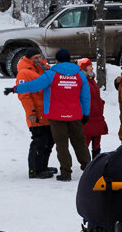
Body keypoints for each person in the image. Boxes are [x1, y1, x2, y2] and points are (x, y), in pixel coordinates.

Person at [6, 48, 90, 181]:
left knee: (61, 144)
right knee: (79, 142)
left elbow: (34, 86)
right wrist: (86, 113)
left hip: (56, 116)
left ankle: (66, 173)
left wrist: (15, 89)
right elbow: (86, 96)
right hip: (75, 114)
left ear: (57, 60)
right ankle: (89, 168)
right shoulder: (80, 75)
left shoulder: (51, 74)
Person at [14, 48, 56, 179]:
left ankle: (43, 166)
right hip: (36, 114)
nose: (38, 60)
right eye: (35, 58)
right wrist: (30, 112)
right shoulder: (24, 73)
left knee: (49, 141)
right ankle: (34, 169)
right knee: (39, 141)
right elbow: (24, 95)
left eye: (39, 57)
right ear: (29, 59)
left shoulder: (45, 69)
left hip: (47, 113)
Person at [78, 58, 108, 156]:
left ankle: (96, 161)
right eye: (90, 66)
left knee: (97, 140)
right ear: (84, 69)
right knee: (87, 139)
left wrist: (100, 103)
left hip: (97, 115)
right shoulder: (81, 81)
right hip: (88, 115)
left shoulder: (91, 80)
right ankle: (86, 163)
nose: (92, 68)